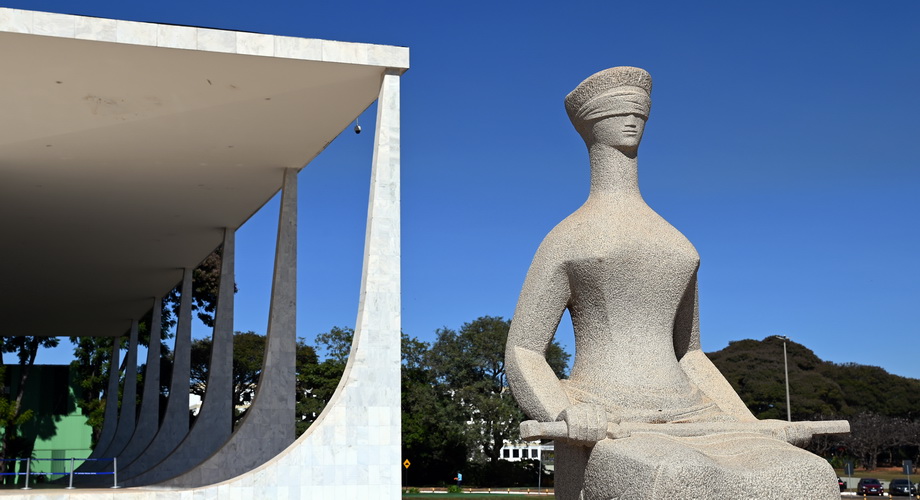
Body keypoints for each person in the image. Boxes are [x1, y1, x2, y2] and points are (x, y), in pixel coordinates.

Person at [505, 66, 842, 500]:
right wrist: (565, 411)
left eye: (639, 113)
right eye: (618, 112)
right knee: (681, 477)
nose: (631, 121)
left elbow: (691, 353)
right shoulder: (567, 238)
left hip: (698, 412)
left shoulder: (676, 242)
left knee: (807, 476)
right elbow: (523, 349)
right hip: (612, 417)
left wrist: (749, 424)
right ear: (590, 124)